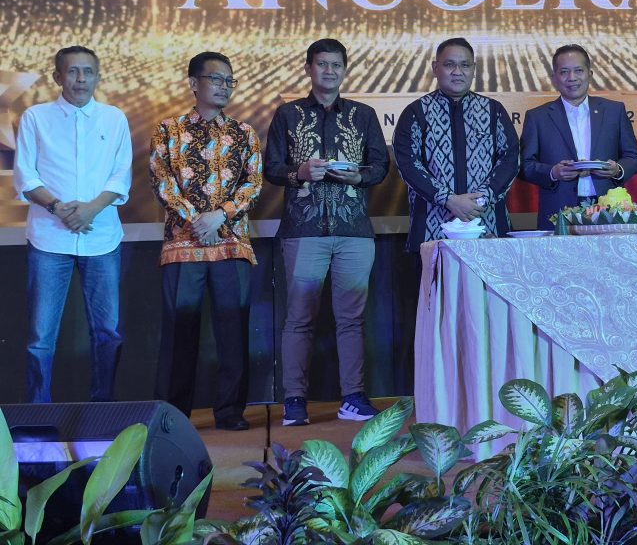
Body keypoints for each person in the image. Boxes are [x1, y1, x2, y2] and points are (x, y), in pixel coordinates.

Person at [264, 39, 390, 426]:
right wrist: (298, 173)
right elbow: (271, 168)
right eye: (322, 64)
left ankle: (353, 397)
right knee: (299, 318)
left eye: (336, 65)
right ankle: (294, 401)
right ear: (309, 68)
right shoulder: (288, 114)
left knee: (352, 319)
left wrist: (359, 177)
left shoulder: (363, 115)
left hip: (354, 230)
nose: (329, 71)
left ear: (345, 70)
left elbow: (380, 166)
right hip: (303, 230)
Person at [149, 52, 263, 430]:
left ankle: (230, 412)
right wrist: (197, 222)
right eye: (216, 79)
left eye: (229, 80)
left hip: (231, 243)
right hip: (184, 246)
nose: (224, 86)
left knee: (233, 331)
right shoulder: (168, 131)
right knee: (179, 332)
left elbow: (253, 183)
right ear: (193, 83)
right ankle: (173, 416)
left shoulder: (244, 133)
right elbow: (163, 182)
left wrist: (221, 215)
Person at [13, 46, 132, 403]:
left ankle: (102, 408)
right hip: (49, 239)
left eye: (88, 72)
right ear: (57, 77)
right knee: (40, 338)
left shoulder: (114, 119)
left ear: (98, 77)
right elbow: (26, 176)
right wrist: (58, 208)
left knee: (108, 333)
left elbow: (121, 175)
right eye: (73, 71)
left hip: (102, 239)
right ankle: (39, 413)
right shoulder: (36, 117)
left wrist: (91, 210)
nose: (81, 79)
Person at [393, 37, 520, 249]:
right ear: (435, 68)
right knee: (436, 271)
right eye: (449, 64)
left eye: (465, 65)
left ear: (474, 69)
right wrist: (449, 199)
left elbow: (510, 159)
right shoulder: (416, 112)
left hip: (486, 225)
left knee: (490, 271)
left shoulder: (493, 110)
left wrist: (480, 200)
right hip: (432, 228)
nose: (457, 72)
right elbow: (408, 165)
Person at [520, 44, 637, 229]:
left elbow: (633, 157)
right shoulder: (537, 117)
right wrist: (553, 172)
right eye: (564, 72)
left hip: (609, 208)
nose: (572, 78)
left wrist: (617, 169)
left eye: (578, 70)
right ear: (554, 79)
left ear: (590, 74)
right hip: (558, 210)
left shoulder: (614, 111)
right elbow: (524, 166)